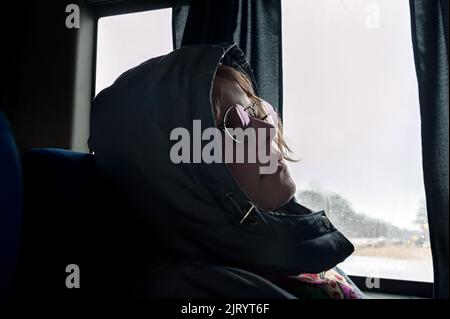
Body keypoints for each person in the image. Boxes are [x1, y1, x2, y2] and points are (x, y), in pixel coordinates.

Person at [89, 43, 362, 298]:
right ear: (181, 180)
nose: (267, 129)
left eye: (255, 111)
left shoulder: (294, 247)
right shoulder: (196, 290)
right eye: (234, 126)